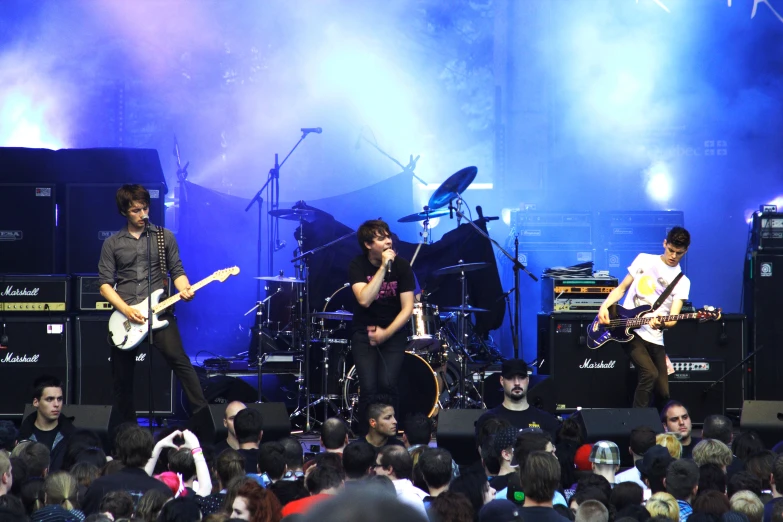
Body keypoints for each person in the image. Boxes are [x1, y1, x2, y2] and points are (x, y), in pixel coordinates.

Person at [98, 184, 208, 427]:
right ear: (124, 211)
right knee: (122, 379)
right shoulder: (113, 243)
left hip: (160, 313)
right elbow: (105, 285)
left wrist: (184, 288)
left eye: (145, 208)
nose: (142, 214)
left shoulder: (163, 236)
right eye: (136, 210)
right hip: (127, 317)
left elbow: (176, 270)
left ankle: (204, 421)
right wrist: (126, 310)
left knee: (182, 364)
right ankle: (127, 431)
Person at [597, 226, 692, 409]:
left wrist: (661, 325)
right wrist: (604, 306)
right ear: (664, 244)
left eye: (678, 253)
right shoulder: (644, 259)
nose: (673, 256)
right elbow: (621, 289)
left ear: (685, 251)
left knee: (663, 392)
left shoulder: (682, 281)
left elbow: (672, 319)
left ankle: (659, 430)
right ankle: (636, 422)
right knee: (649, 373)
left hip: (654, 335)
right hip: (627, 327)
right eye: (670, 250)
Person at [349, 220, 415, 427]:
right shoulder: (357, 265)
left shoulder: (403, 266)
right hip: (363, 333)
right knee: (368, 388)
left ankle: (390, 434)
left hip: (393, 332)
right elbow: (364, 299)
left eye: (388, 236)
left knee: (388, 385)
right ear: (368, 244)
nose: (388, 241)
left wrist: (386, 333)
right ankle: (365, 438)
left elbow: (407, 308)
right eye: (381, 238)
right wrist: (384, 267)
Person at [475, 360, 560, 440]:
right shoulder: (488, 420)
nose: (517, 383)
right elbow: (485, 453)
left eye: (521, 377)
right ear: (502, 380)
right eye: (510, 378)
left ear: (527, 380)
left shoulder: (547, 421)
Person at [18, 376, 74, 473]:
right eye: (50, 399)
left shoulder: (73, 436)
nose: (56, 404)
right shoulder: (22, 438)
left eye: (59, 399)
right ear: (36, 402)